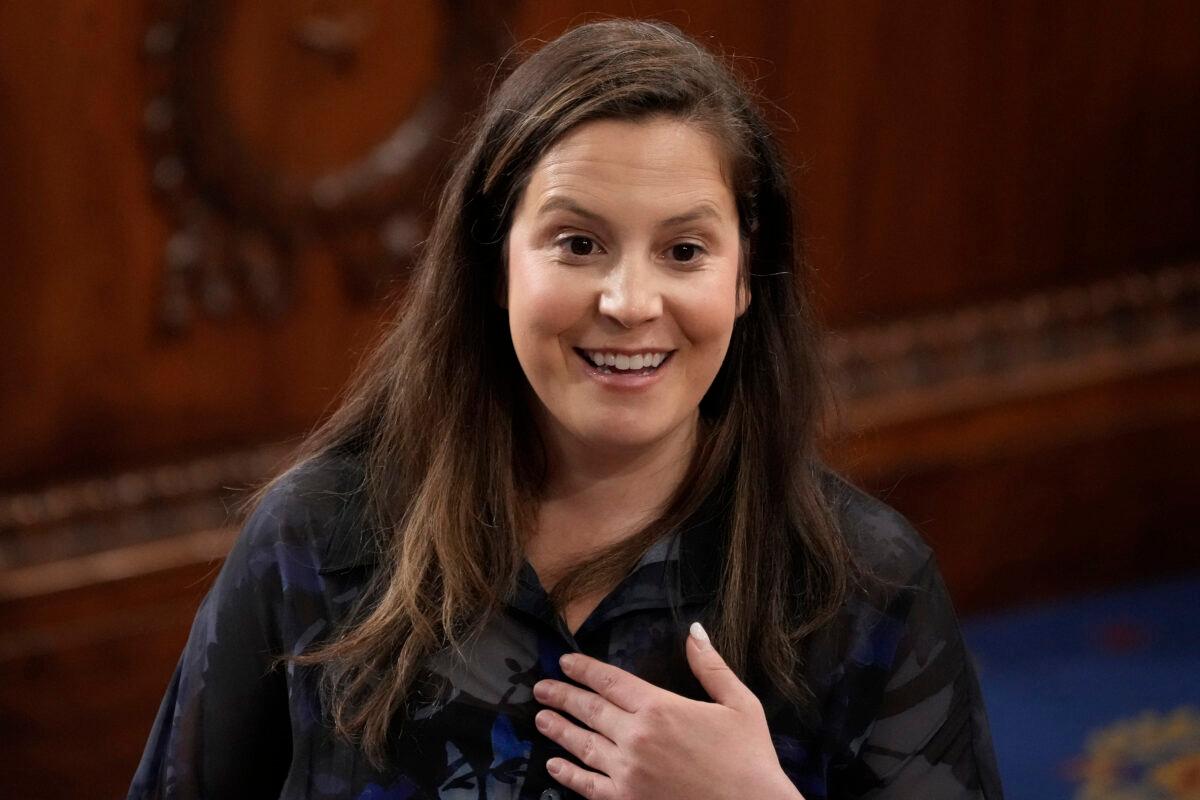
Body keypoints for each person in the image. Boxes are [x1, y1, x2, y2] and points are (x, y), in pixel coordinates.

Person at [129, 19, 1004, 800]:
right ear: (495, 261)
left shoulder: (866, 585)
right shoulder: (315, 538)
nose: (629, 301)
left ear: (745, 278)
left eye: (684, 250)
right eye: (578, 243)